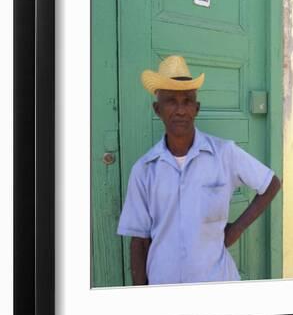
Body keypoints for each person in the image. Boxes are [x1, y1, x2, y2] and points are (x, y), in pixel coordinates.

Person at [117, 55, 281, 285]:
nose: (180, 110)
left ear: (197, 108)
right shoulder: (144, 170)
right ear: (157, 109)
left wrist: (236, 229)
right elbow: (139, 241)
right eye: (171, 101)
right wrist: (142, 297)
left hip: (216, 283)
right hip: (164, 287)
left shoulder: (224, 154)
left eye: (187, 101)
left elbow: (271, 183)